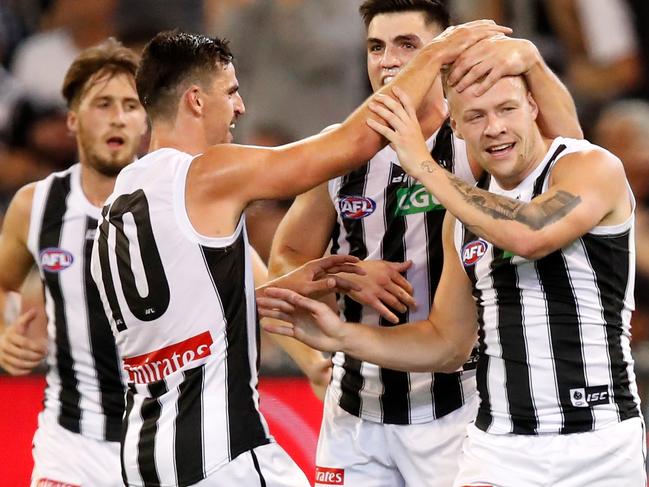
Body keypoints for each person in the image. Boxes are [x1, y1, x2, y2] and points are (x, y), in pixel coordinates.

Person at [88, 24, 511, 487]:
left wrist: (287, 286)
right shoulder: (205, 173)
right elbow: (351, 144)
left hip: (142, 454)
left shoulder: (116, 204)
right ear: (195, 100)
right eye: (230, 92)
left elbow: (180, 319)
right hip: (221, 452)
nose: (239, 107)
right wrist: (433, 56)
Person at [259, 68, 645, 485]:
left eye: (507, 109)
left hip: (601, 443)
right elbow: (446, 344)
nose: (495, 127)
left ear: (533, 106)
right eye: (476, 116)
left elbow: (530, 234)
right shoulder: (461, 220)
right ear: (456, 126)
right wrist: (339, 337)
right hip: (498, 449)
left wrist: (421, 164)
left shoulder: (593, 166)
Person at [0, 38, 148, 486]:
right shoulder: (36, 205)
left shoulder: (176, 201)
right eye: (103, 103)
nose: (118, 116)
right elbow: (2, 281)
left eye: (130, 104)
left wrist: (316, 361)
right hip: (71, 445)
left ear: (146, 120)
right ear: (72, 119)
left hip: (163, 444)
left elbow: (251, 279)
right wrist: (4, 331)